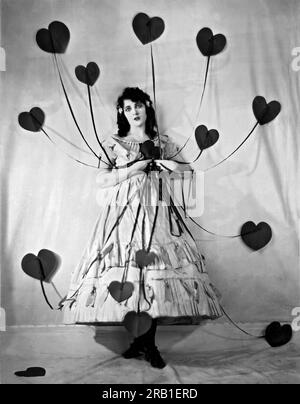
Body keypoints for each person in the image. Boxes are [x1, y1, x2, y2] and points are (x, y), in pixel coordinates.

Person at [63, 87, 222, 369]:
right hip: (124, 213)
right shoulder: (115, 142)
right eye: (127, 108)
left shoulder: (162, 141)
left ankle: (145, 344)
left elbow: (188, 172)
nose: (134, 112)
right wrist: (133, 169)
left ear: (147, 107)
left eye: (138, 105)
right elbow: (102, 180)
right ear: (122, 114)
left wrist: (166, 164)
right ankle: (143, 342)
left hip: (158, 212)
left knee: (154, 275)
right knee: (129, 275)